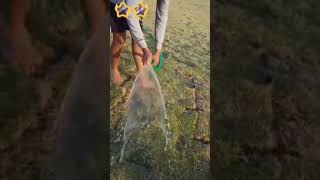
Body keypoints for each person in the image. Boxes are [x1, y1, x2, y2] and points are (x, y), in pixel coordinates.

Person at [110, 0, 170, 85]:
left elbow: (162, 16)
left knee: (137, 41)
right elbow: (131, 16)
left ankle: (142, 76)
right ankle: (114, 68)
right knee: (119, 40)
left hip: (135, 5)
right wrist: (145, 49)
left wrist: (158, 49)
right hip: (116, 3)